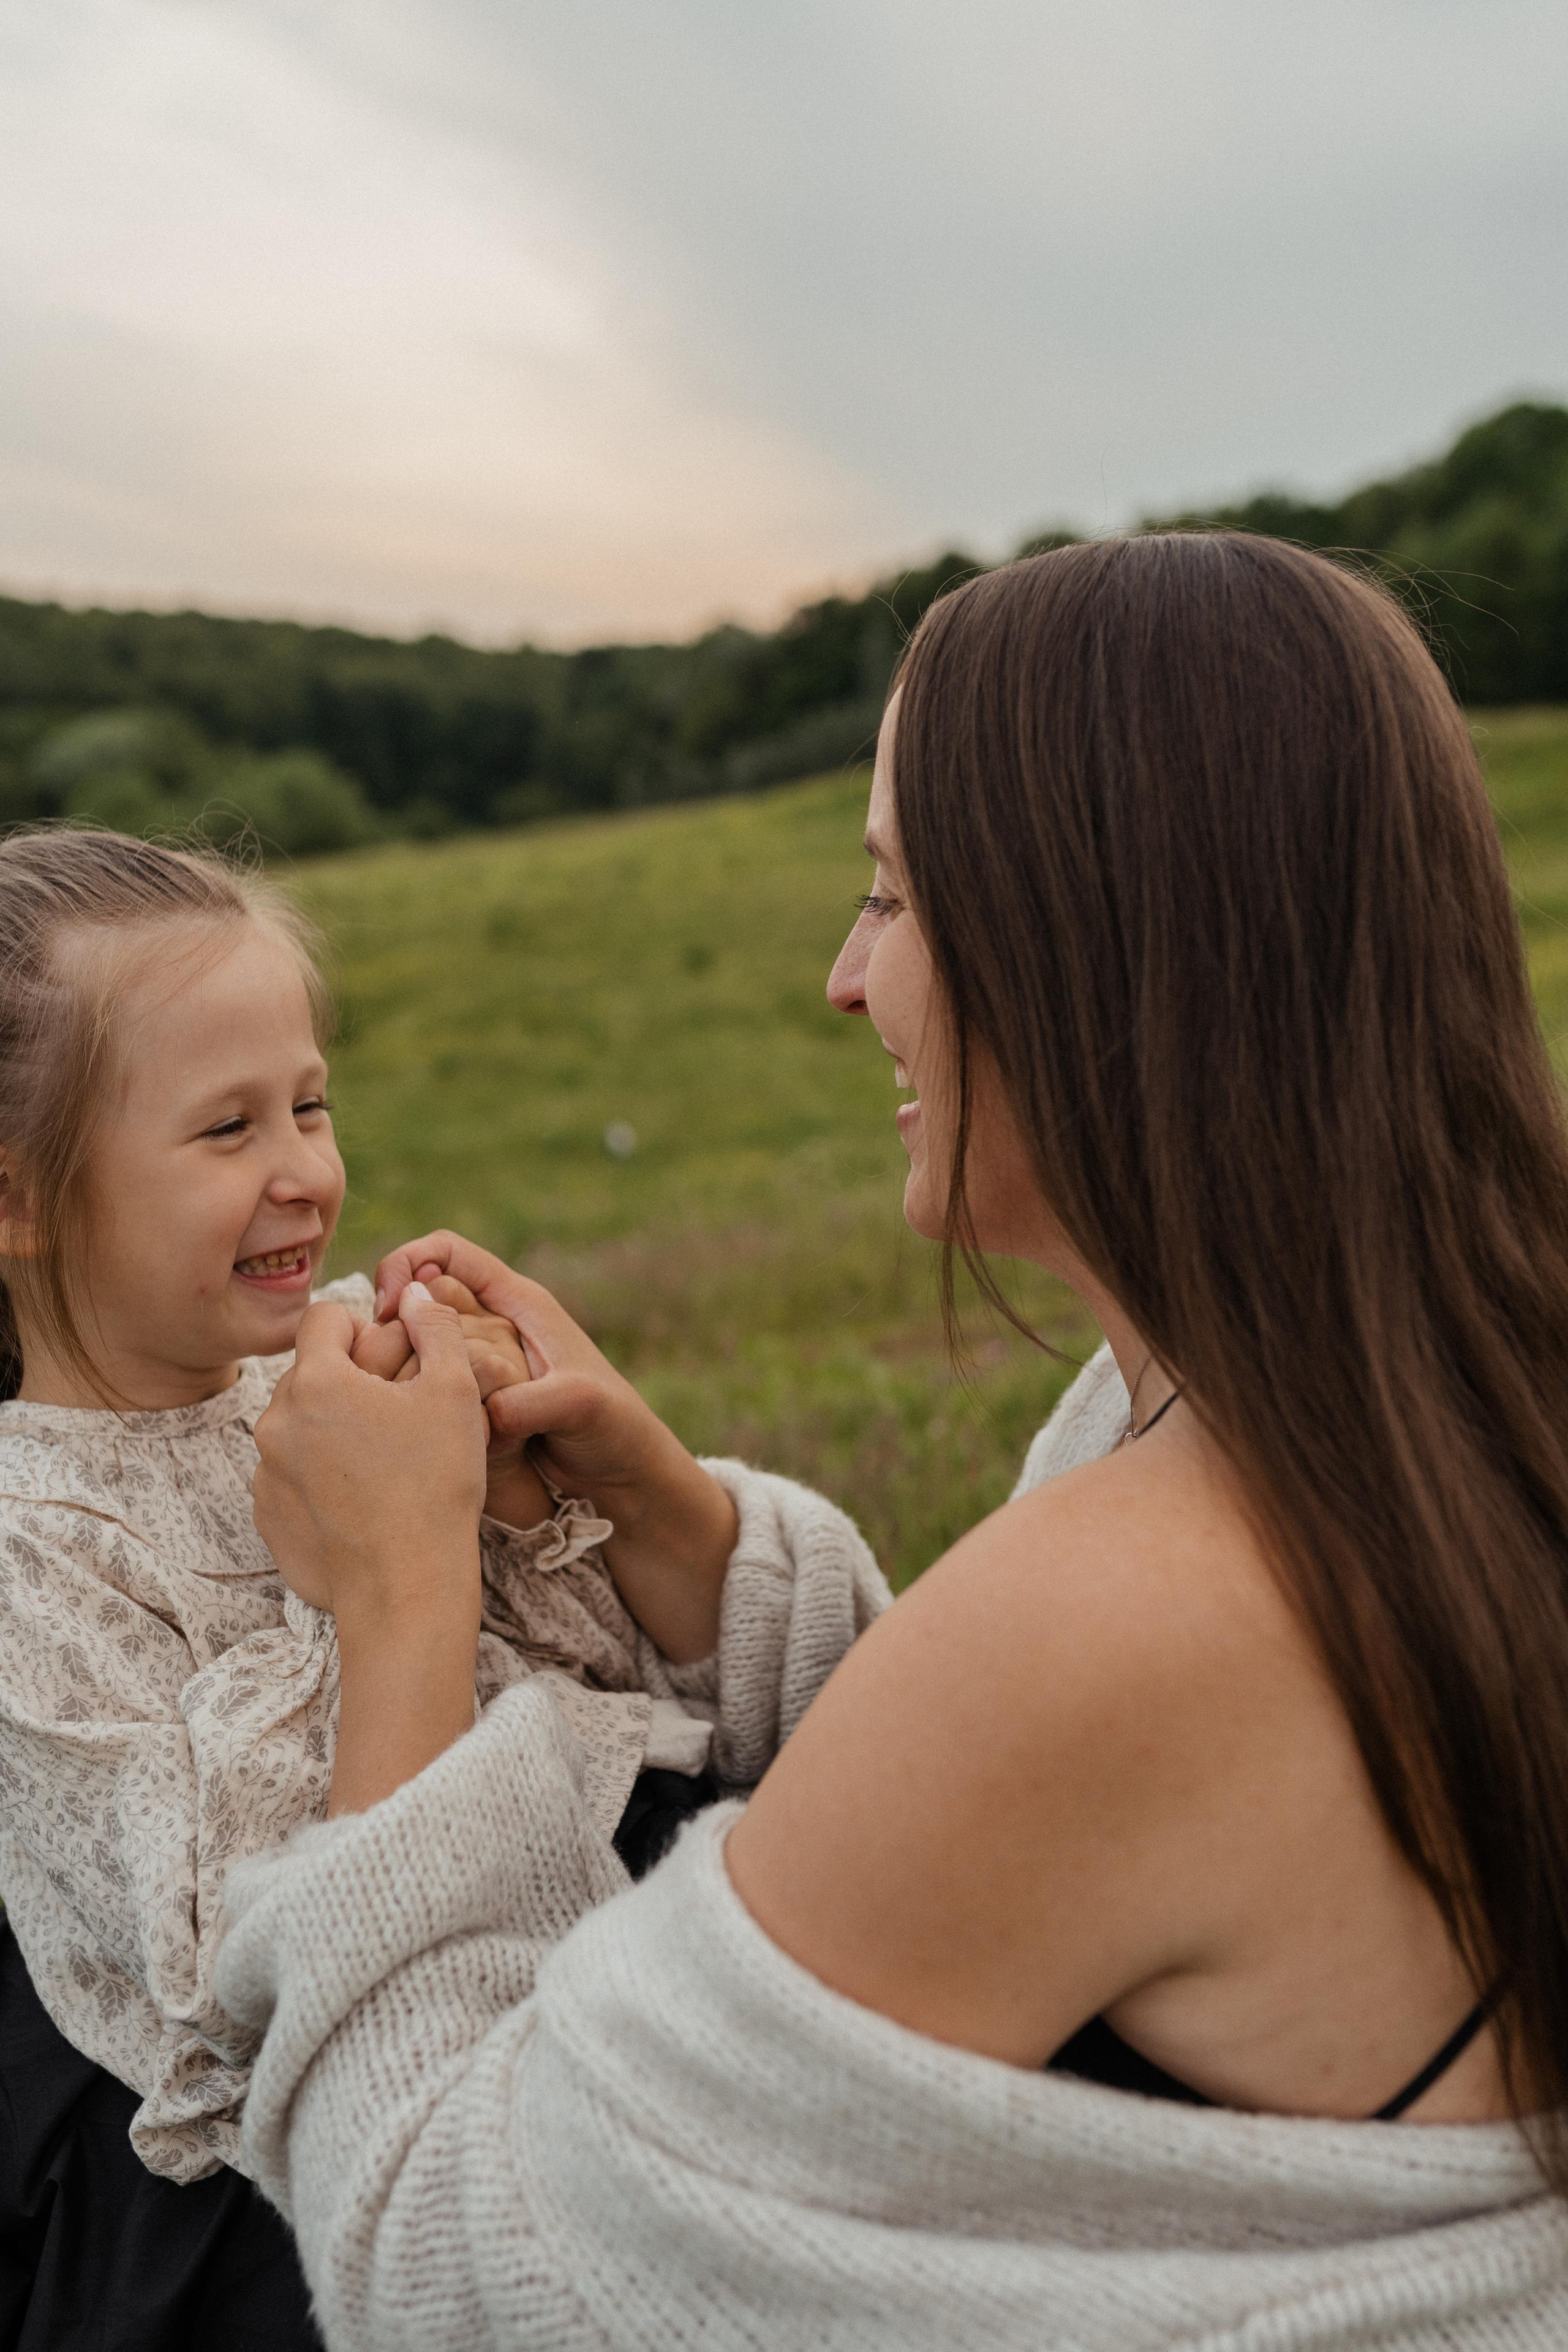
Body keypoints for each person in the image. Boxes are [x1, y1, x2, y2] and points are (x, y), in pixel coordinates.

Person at [223, 535, 1568, 2349]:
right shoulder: (1419, 1380)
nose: (846, 983)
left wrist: (394, 1613)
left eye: (892, 895)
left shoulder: (1145, 1601)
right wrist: (682, 1528)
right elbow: (1072, 1845)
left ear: (1088, 938)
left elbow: (462, 2271)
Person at [0, 830, 766, 2345]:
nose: (305, 1169)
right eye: (225, 1131)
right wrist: (374, 1571)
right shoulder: (33, 1547)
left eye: (309, 1102)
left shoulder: (328, 1376)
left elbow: (594, 1683)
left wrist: (531, 1494)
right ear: (19, 1203)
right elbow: (226, 1967)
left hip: (574, 1940)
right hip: (317, 2144)